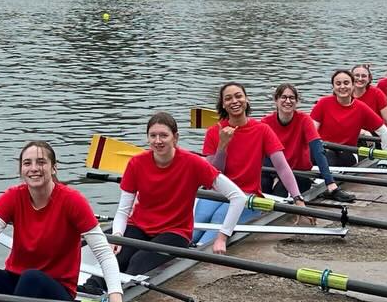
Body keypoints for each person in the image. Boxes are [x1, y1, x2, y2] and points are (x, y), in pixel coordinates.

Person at [0, 140, 123, 302]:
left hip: (56, 296)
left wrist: (115, 297)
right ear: (21, 170)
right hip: (17, 287)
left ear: (54, 168)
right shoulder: (12, 197)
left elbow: (104, 253)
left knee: (31, 278)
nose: (34, 168)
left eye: (41, 162)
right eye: (27, 163)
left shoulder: (73, 201)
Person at [110, 111, 245, 275]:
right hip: (139, 226)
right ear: (147, 138)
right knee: (115, 260)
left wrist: (222, 237)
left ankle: (123, 289)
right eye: (153, 136)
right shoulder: (136, 163)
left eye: (163, 135)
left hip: (176, 232)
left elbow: (238, 197)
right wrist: (117, 235)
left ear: (175, 138)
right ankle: (91, 287)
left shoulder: (193, 163)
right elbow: (123, 210)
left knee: (138, 263)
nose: (158, 141)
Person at [196, 83, 304, 231]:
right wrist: (222, 146)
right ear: (223, 105)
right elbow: (212, 175)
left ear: (246, 100)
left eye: (238, 96)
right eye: (228, 98)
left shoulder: (262, 130)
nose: (234, 101)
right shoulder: (214, 131)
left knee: (218, 220)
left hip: (246, 195)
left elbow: (282, 168)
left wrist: (297, 198)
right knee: (199, 220)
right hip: (217, 192)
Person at [261, 82, 341, 199]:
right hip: (273, 171)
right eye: (283, 97)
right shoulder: (266, 122)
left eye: (292, 98)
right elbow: (256, 152)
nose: (288, 101)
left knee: (280, 192)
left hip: (299, 173)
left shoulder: (304, 120)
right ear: (276, 100)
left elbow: (318, 150)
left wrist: (330, 182)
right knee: (262, 185)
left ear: (297, 101)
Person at [309, 71, 387, 168]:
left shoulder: (361, 108)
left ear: (353, 86)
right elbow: (311, 131)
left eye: (346, 83)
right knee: (321, 154)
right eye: (338, 84)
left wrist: (386, 160)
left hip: (347, 152)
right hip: (323, 148)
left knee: (329, 157)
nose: (342, 87)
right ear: (333, 87)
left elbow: (384, 133)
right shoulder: (323, 103)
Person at [350, 63, 387, 139]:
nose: (360, 79)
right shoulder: (346, 94)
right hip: (355, 131)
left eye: (364, 76)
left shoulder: (377, 93)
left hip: (377, 132)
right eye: (357, 75)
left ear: (369, 79)